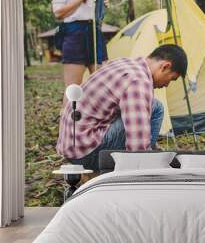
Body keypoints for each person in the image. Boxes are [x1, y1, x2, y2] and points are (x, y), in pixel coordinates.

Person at [56, 45, 188, 171]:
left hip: (71, 144)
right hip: (86, 152)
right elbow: (137, 145)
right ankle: (145, 163)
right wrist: (143, 163)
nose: (166, 85)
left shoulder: (126, 63)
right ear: (165, 66)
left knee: (154, 105)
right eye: (171, 79)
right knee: (155, 111)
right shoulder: (138, 81)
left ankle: (150, 152)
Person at [50, 0, 108, 92]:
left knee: (102, 86)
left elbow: (88, 10)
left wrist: (100, 5)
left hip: (95, 30)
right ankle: (69, 109)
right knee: (73, 90)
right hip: (75, 32)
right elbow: (58, 13)